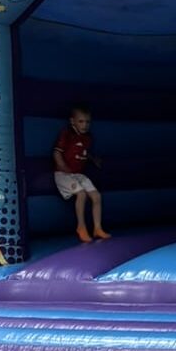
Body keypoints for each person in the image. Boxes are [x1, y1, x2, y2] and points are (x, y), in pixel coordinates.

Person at [53, 103, 109, 245]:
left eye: (87, 122)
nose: (85, 125)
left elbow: (83, 152)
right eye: (81, 121)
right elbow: (56, 152)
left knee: (96, 196)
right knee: (82, 194)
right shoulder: (66, 134)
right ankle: (81, 227)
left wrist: (93, 159)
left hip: (78, 174)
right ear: (73, 121)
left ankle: (97, 228)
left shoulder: (87, 138)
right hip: (63, 174)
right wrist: (62, 166)